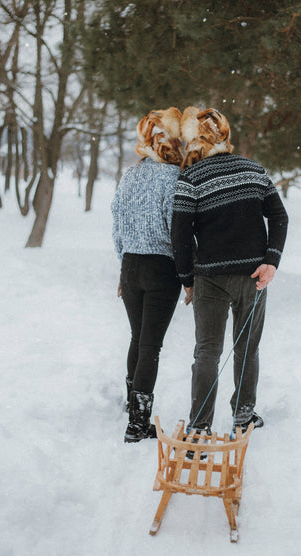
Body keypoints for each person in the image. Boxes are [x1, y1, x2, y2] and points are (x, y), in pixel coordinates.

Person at [171, 106, 288, 434]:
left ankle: (199, 426)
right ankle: (243, 415)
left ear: (195, 140)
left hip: (209, 278)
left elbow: (179, 233)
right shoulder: (254, 170)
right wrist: (271, 261)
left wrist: (186, 280)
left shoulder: (191, 177)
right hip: (253, 277)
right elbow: (279, 216)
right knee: (247, 347)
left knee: (207, 350)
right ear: (225, 135)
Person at [112, 107, 183, 443]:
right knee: (150, 345)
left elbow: (117, 222)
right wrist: (188, 274)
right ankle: (138, 424)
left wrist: (122, 264)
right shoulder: (174, 178)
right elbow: (177, 230)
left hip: (130, 266)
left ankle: (132, 407)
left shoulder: (129, 174)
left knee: (137, 339)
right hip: (160, 268)